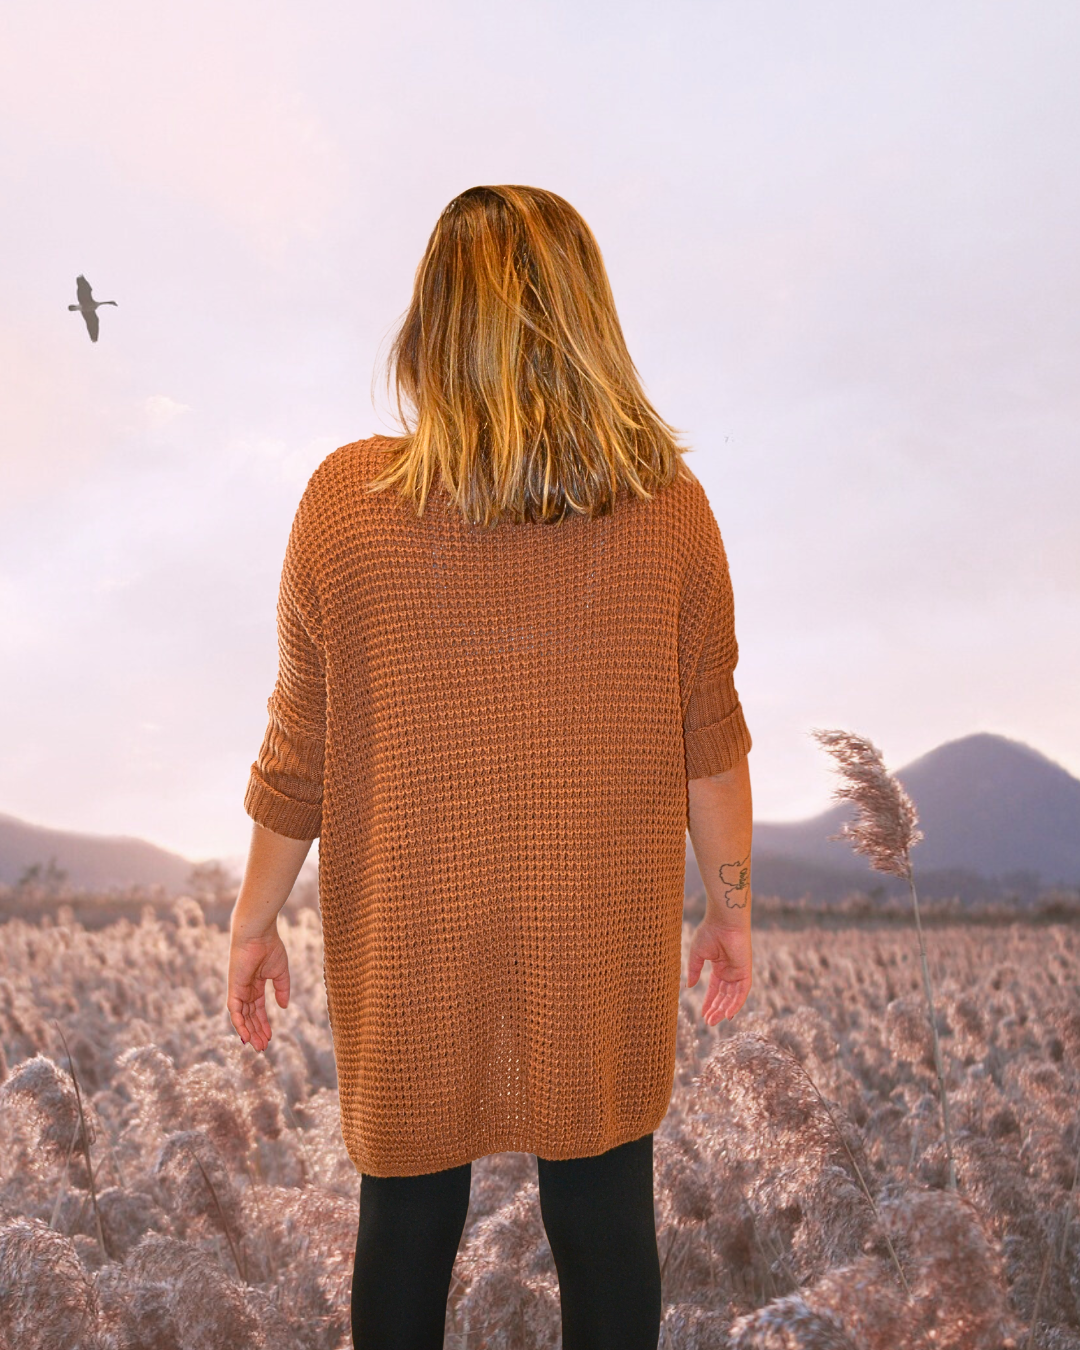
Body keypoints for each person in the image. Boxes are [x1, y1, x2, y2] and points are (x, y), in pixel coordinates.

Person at [226, 185, 754, 1350]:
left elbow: (297, 745)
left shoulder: (342, 504)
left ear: (433, 327)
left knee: (405, 1215)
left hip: (413, 940)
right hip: (594, 938)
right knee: (606, 1210)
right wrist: (730, 911)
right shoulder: (673, 511)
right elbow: (709, 745)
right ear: (588, 325)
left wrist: (250, 920)